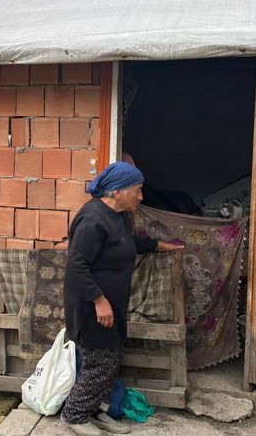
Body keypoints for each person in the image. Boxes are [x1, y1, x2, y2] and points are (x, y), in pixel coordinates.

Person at [61, 162, 182, 435]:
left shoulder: (120, 216)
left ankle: (97, 412)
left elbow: (126, 244)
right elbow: (76, 266)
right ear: (117, 191)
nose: (141, 197)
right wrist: (99, 301)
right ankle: (75, 415)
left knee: (110, 361)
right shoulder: (93, 220)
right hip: (91, 306)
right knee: (98, 364)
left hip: (112, 305)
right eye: (137, 191)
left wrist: (156, 246)